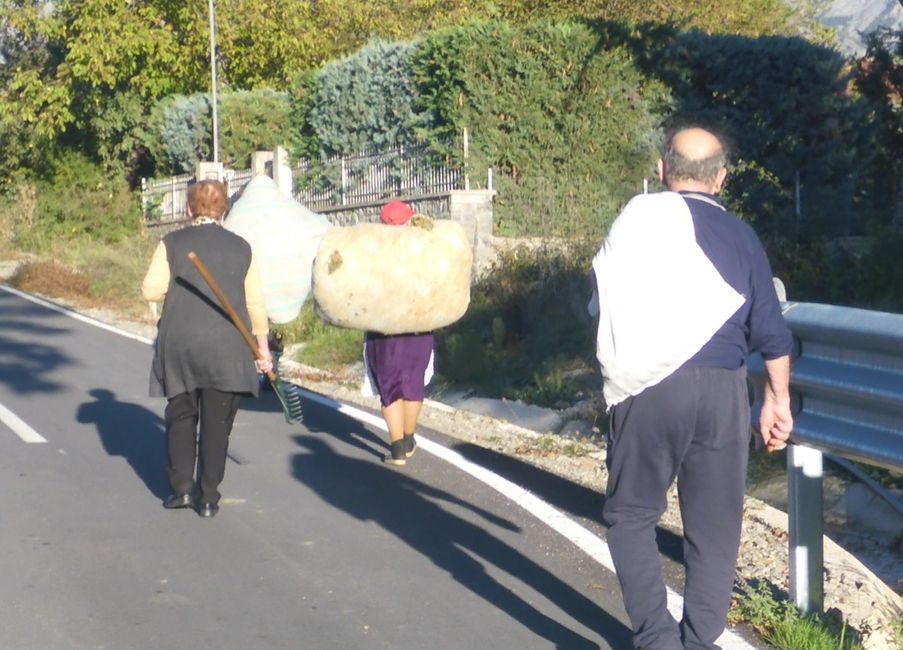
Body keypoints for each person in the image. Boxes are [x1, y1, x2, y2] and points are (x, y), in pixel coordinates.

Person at [590, 127, 794, 649]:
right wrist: (777, 400)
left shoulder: (634, 223)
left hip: (650, 391)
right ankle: (699, 641)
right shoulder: (743, 237)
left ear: (663, 171)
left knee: (631, 516)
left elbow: (599, 307)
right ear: (722, 179)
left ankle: (658, 640)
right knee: (715, 528)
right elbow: (771, 332)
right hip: (724, 392)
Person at [142, 179, 273, 518]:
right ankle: (209, 498)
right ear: (224, 210)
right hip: (228, 348)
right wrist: (263, 349)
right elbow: (256, 303)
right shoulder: (242, 247)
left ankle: (181, 491)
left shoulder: (171, 242)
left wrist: (179, 289)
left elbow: (151, 290)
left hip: (181, 344)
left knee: (182, 415)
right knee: (217, 422)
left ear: (189, 209)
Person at [364, 200, 434, 467]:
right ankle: (408, 439)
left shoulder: (374, 254)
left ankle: (397, 449)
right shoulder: (424, 252)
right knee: (413, 382)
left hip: (384, 330)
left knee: (389, 385)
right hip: (418, 326)